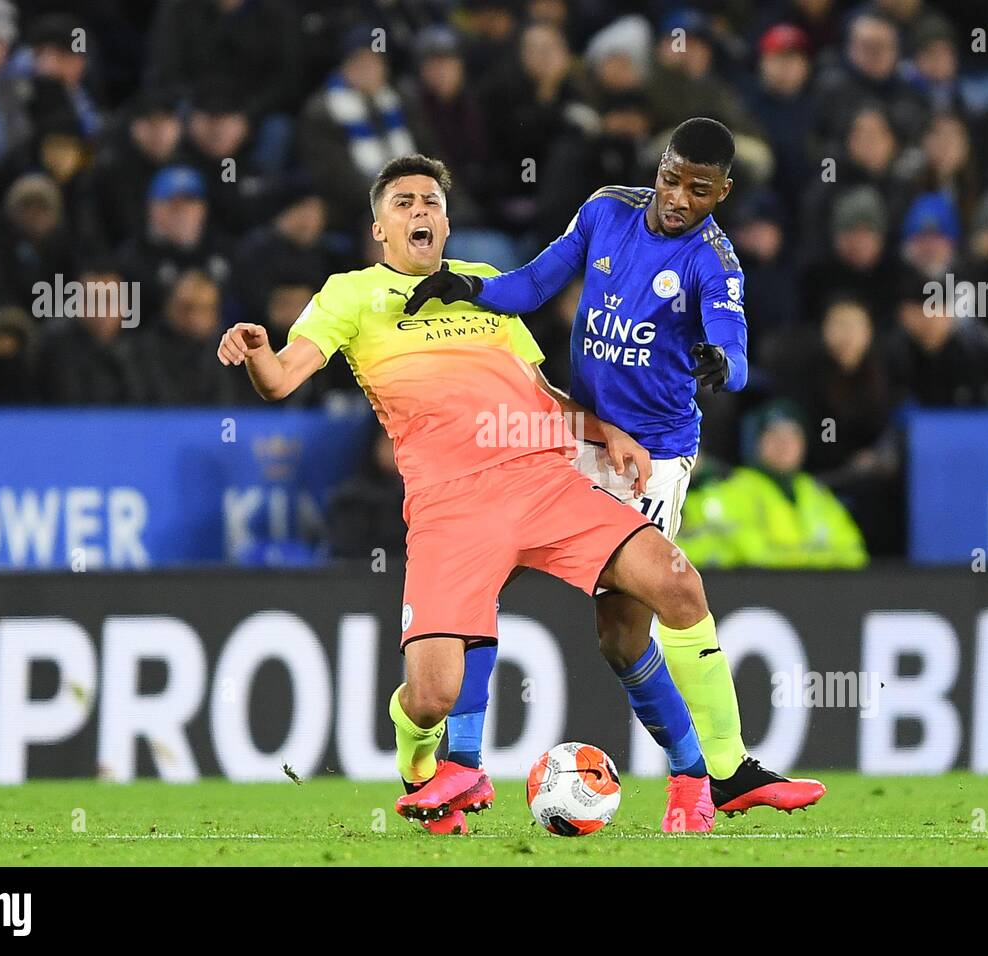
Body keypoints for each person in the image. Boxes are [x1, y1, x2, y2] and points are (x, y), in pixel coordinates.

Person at [218, 154, 726, 835]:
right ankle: (424, 763)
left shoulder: (484, 285)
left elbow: (542, 393)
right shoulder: (350, 294)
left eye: (430, 201)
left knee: (676, 583)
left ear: (447, 221)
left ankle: (698, 778)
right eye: (403, 203)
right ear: (379, 228)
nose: (420, 211)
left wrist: (610, 434)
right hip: (450, 503)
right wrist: (255, 349)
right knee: (429, 696)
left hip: (544, 481)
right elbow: (280, 380)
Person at [405, 118, 826, 819]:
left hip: (649, 461)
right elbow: (537, 282)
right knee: (478, 567)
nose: (676, 197)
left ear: (720, 194)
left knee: (623, 634)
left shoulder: (713, 262)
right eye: (669, 177)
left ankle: (702, 775)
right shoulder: (607, 210)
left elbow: (737, 350)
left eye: (697, 189)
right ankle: (462, 765)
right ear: (658, 167)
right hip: (573, 433)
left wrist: (722, 364)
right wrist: (467, 290)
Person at [678, 402, 867, 569]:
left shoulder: (817, 493)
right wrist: (812, 561)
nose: (784, 444)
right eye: (774, 435)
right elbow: (744, 554)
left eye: (793, 435)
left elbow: (854, 555)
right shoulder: (732, 488)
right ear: (757, 442)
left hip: (818, 598)